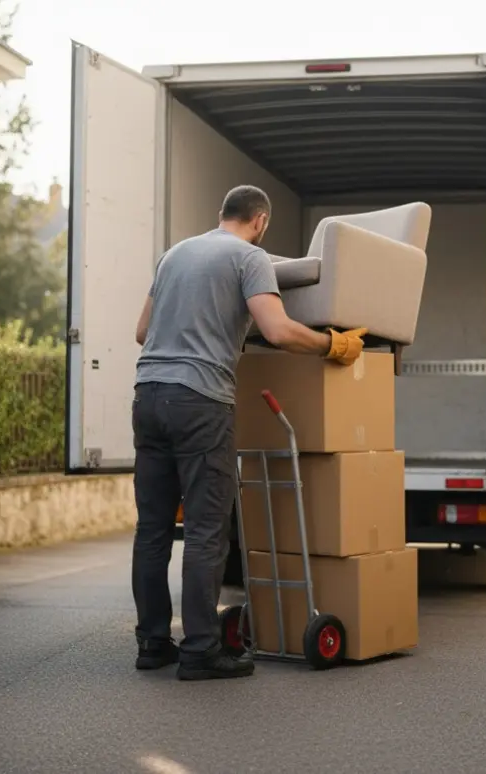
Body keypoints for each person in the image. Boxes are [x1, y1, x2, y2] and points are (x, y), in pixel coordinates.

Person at [131, 184, 366, 681]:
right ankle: (201, 650)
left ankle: (152, 643)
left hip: (148, 395)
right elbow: (278, 330)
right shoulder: (250, 257)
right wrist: (331, 344)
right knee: (205, 530)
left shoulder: (174, 254)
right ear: (260, 221)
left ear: (222, 213)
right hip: (199, 401)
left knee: (152, 529)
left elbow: (142, 332)